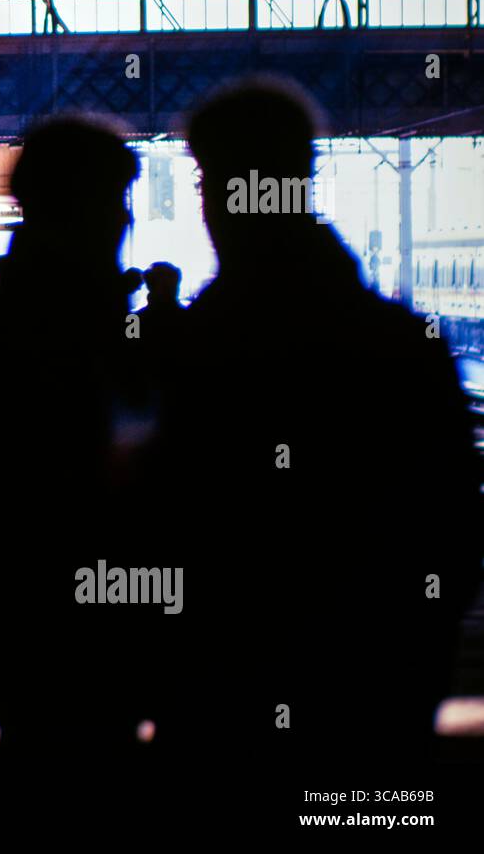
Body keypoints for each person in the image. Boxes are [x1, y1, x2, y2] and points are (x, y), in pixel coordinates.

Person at [158, 76, 480, 770]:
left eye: (207, 185)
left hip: (219, 721)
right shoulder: (404, 343)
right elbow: (451, 542)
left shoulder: (194, 354)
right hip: (375, 714)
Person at [0, 115, 143, 764]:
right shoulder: (76, 326)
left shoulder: (4, 320)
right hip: (80, 637)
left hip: (21, 634)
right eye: (116, 200)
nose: (126, 220)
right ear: (79, 206)